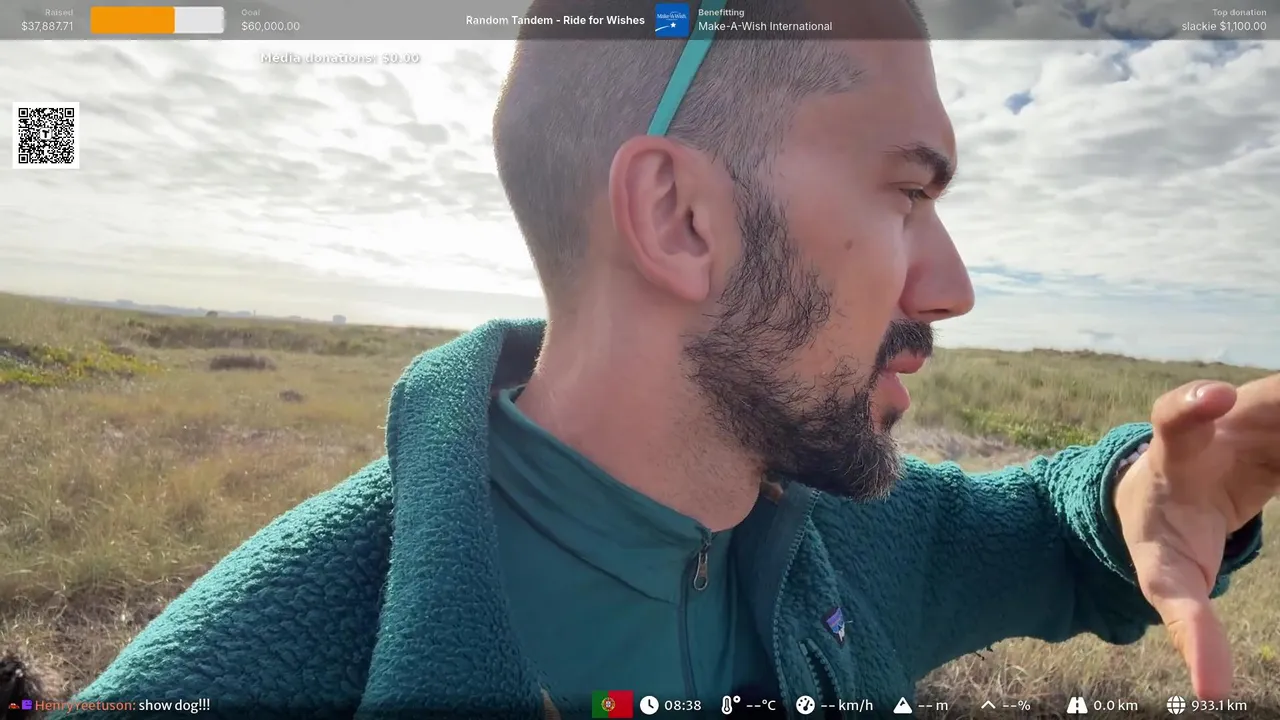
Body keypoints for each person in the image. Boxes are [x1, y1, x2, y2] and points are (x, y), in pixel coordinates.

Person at [59, 0, 1277, 718]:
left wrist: (1137, 493)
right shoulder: (255, 665)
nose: (949, 288)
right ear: (680, 218)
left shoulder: (839, 536)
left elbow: (1047, 533)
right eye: (907, 193)